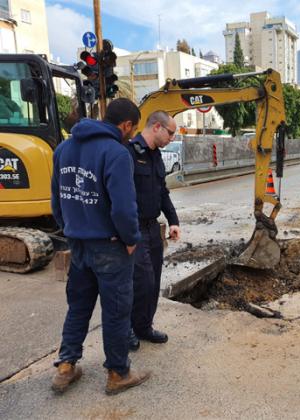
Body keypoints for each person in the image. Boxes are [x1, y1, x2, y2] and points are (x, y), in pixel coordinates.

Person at [50, 98, 151, 395]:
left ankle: (66, 366)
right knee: (117, 311)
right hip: (109, 247)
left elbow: (57, 201)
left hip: (78, 244)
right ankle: (118, 373)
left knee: (78, 306)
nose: (132, 136)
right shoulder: (117, 153)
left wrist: (72, 230)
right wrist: (131, 239)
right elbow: (123, 208)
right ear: (127, 125)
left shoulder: (63, 149)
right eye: (132, 131)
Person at [127, 110, 180, 351]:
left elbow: (162, 192)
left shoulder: (156, 156)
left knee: (154, 281)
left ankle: (144, 326)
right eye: (171, 133)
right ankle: (127, 329)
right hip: (134, 229)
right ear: (157, 127)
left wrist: (173, 220)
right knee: (140, 282)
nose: (172, 138)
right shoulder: (128, 152)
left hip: (152, 228)